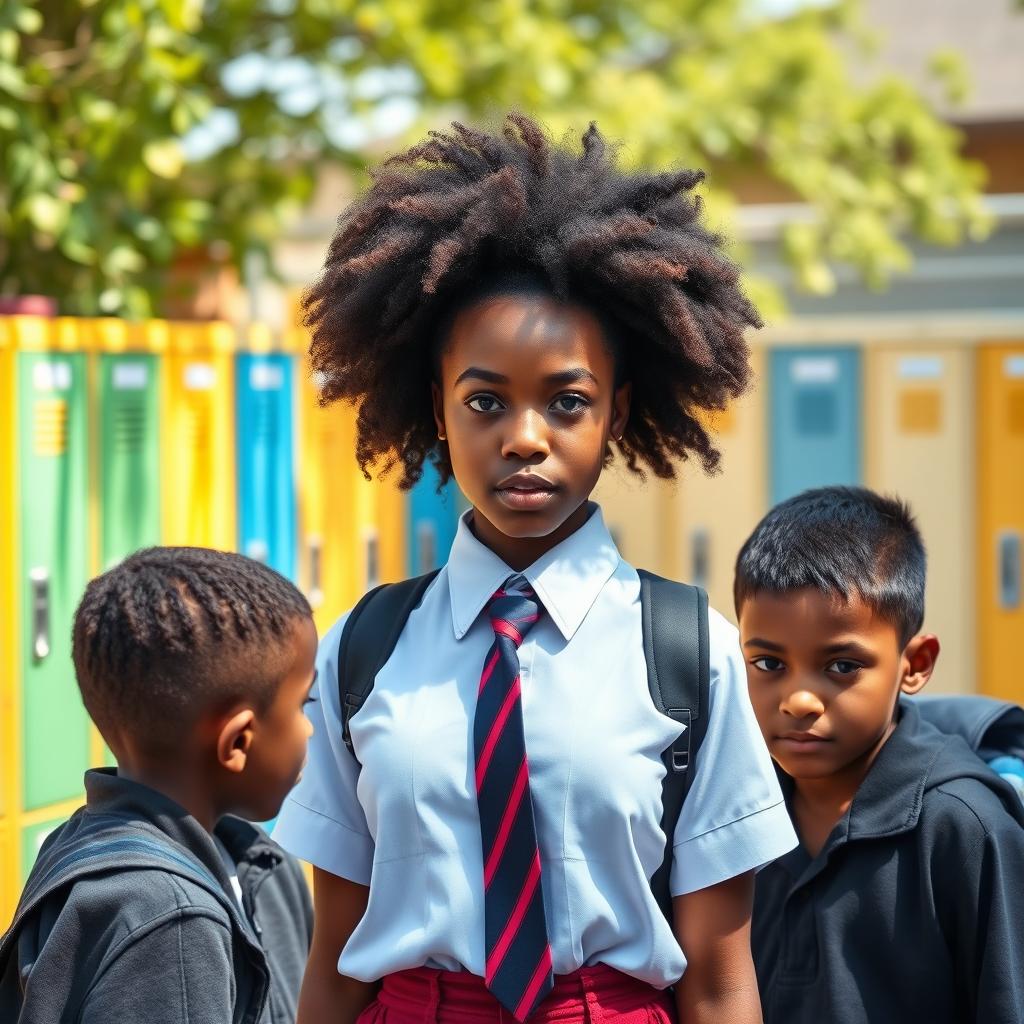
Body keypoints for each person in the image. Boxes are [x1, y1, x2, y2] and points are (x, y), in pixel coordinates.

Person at [274, 112, 796, 1024]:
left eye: (566, 402)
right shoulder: (364, 646)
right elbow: (336, 958)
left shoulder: (688, 650)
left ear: (616, 415)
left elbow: (718, 981)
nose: (524, 438)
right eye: (485, 400)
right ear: (437, 410)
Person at [735, 486, 1024, 1024]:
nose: (799, 701)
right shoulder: (733, 811)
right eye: (769, 664)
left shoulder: (965, 829)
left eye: (842, 666)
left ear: (914, 663)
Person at [0, 547, 318, 1024]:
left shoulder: (259, 862)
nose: (311, 727)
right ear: (238, 742)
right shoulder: (167, 919)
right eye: (301, 703)